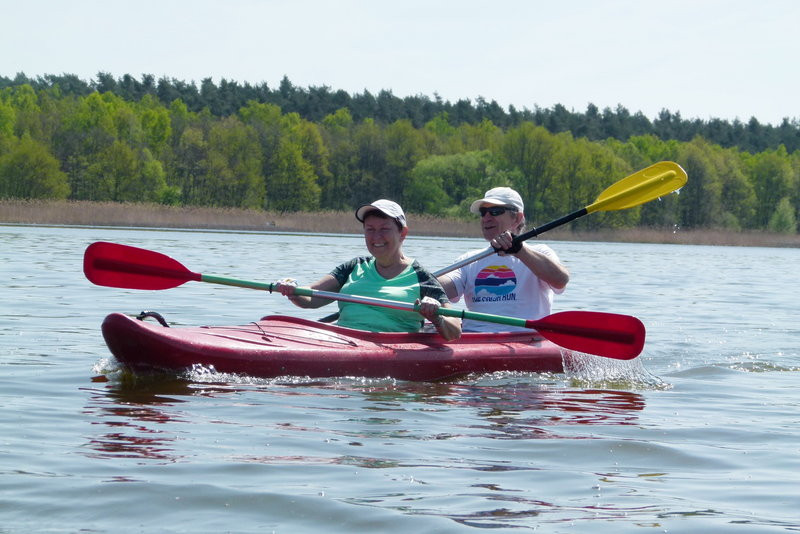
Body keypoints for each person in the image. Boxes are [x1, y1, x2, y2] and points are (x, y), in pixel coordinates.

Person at [276, 199, 462, 340]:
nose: (376, 237)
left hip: (390, 349)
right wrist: (293, 290)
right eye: (370, 229)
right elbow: (311, 297)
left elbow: (455, 331)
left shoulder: (422, 277)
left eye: (384, 229)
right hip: (341, 341)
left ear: (402, 233)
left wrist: (437, 318)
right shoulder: (353, 267)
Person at [437, 187, 569, 332]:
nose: (486, 218)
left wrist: (520, 251)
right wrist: (422, 279)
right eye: (483, 213)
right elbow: (444, 289)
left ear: (517, 218)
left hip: (524, 339)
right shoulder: (469, 259)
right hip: (474, 338)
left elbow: (560, 280)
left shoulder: (540, 252)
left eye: (495, 211)